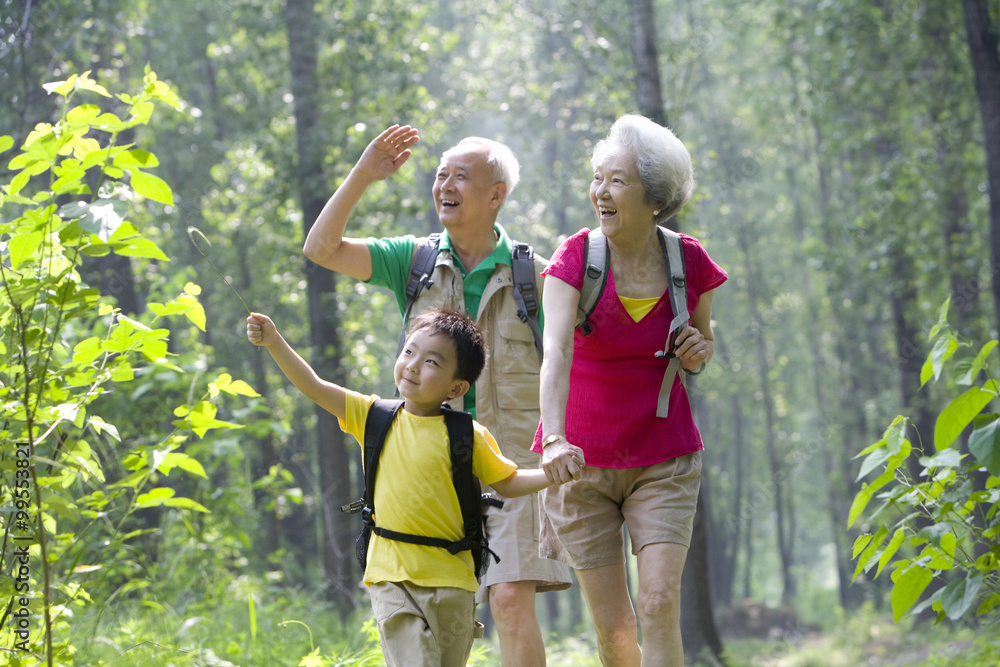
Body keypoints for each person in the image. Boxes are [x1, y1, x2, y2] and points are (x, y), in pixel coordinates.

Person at [302, 124, 572, 666]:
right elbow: (321, 248)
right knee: (442, 616)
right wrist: (364, 174)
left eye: (461, 176)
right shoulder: (413, 260)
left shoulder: (538, 278)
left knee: (511, 600)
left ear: (496, 195)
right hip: (424, 467)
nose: (444, 184)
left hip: (511, 463)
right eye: (440, 174)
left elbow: (573, 361)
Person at [246, 307, 582, 667]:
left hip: (453, 579)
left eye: (432, 362)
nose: (412, 365)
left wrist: (553, 474)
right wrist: (274, 341)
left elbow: (509, 482)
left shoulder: (467, 435)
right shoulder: (372, 416)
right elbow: (314, 386)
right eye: (409, 351)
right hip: (391, 576)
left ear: (456, 388)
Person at [534, 113, 728, 665]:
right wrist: (553, 440)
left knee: (661, 599)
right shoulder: (575, 258)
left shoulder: (689, 260)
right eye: (597, 178)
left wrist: (698, 352)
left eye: (616, 180)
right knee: (616, 632)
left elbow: (703, 349)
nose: (600, 191)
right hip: (580, 461)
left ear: (655, 196)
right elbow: (556, 354)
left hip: (664, 454)